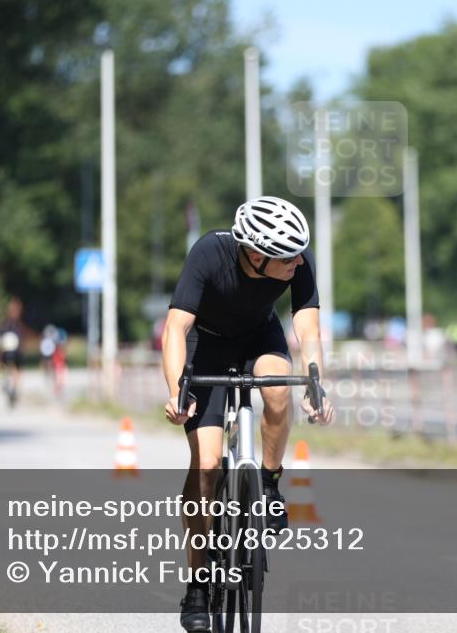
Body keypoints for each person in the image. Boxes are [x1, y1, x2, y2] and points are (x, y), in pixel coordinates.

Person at [162, 196, 335, 632]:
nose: (298, 263)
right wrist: (176, 391)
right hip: (207, 345)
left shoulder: (297, 257)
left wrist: (315, 383)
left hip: (260, 336)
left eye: (300, 255)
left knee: (278, 389)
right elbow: (176, 327)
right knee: (205, 465)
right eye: (286, 258)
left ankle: (270, 483)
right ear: (256, 256)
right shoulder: (209, 252)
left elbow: (308, 325)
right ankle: (199, 584)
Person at [0, 298, 24, 406]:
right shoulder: (18, 325)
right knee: (16, 370)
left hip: (6, 351)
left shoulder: (5, 323)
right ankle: (14, 387)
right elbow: (20, 339)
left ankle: (7, 382)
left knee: (5, 366)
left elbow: (1, 338)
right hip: (15, 351)